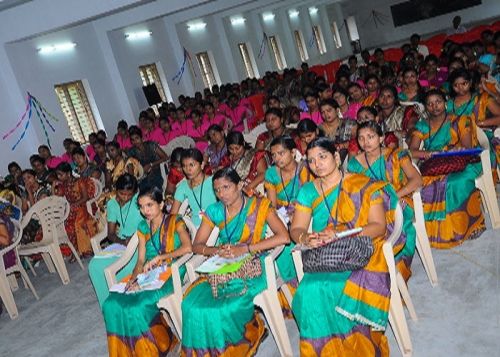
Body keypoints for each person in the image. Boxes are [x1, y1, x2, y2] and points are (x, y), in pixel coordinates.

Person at [290, 137, 398, 356]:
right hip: (326, 254)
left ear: (336, 157)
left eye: (322, 157)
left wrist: (340, 236)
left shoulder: (364, 184)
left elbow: (378, 227)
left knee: (342, 287)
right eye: (311, 161)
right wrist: (306, 238)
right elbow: (296, 228)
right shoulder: (307, 191)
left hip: (361, 249)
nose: (317, 164)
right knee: (308, 291)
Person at [181, 167, 289, 355]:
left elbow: (283, 237)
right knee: (191, 304)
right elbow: (196, 245)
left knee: (227, 305)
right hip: (223, 266)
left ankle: (242, 341)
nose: (221, 194)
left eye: (226, 187)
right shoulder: (215, 210)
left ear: (239, 185)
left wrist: (245, 249)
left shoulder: (260, 205)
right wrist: (215, 250)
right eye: (217, 190)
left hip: (254, 263)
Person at [102, 185, 192, 356]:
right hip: (149, 274)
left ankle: (160, 344)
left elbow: (188, 248)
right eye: (142, 207)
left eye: (149, 205)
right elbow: (141, 260)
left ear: (161, 203)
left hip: (172, 271)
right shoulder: (143, 227)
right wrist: (134, 279)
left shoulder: (175, 221)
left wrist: (163, 257)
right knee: (111, 304)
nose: (145, 211)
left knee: (139, 304)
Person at [409, 89, 485, 248]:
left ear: (445, 102)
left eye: (438, 102)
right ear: (425, 107)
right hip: (436, 165)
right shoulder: (422, 125)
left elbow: (466, 147)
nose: (434, 106)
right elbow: (412, 150)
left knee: (458, 182)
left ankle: (470, 225)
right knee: (428, 186)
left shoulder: (459, 120)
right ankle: (441, 233)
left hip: (462, 162)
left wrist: (452, 152)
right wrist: (430, 153)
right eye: (429, 104)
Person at [348, 121, 420, 281]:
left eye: (370, 137)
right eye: (361, 138)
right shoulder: (354, 164)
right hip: (370, 208)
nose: (365, 142)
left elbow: (416, 180)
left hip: (399, 203)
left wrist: (394, 198)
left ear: (381, 138)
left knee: (391, 230)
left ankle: (393, 273)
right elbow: (354, 192)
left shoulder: (396, 155)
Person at [88, 174, 143, 307]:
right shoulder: (112, 204)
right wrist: (123, 242)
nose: (125, 198)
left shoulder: (139, 200)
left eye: (129, 195)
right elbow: (111, 234)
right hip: (122, 242)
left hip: (140, 240)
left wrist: (135, 238)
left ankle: (125, 302)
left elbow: (150, 222)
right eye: (121, 193)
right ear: (115, 190)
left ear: (134, 192)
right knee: (94, 265)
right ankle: (108, 305)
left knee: (124, 267)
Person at [53, 162, 98, 257]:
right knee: (63, 224)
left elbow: (85, 198)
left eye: (61, 174)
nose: (59, 177)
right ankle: (75, 251)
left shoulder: (79, 181)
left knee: (76, 224)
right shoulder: (63, 185)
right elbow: (56, 198)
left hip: (82, 206)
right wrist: (54, 187)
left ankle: (84, 249)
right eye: (58, 175)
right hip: (71, 209)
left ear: (68, 173)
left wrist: (73, 205)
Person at [170, 149, 217, 228]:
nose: (188, 170)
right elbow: (173, 215)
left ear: (202, 165)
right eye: (184, 166)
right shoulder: (183, 186)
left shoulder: (214, 182)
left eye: (191, 165)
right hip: (194, 228)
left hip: (215, 225)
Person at [128, 125, 168, 190]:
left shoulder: (151, 145)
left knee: (155, 184)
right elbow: (131, 168)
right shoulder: (131, 152)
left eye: (137, 138)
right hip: (144, 175)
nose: (135, 142)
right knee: (143, 188)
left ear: (141, 138)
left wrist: (151, 165)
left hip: (158, 168)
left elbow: (165, 157)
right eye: (133, 140)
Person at [319, 98, 356, 162]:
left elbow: (357, 142)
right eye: (323, 112)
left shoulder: (350, 124)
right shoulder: (319, 129)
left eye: (329, 110)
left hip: (349, 160)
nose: (326, 114)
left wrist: (342, 145)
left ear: (337, 110)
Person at [20, 169, 51, 245]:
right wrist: (26, 195)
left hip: (44, 219)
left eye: (29, 177)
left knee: (25, 230)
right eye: (24, 179)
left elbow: (36, 210)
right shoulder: (25, 193)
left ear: (35, 177)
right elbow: (24, 210)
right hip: (31, 219)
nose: (27, 180)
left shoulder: (43, 190)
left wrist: (30, 193)